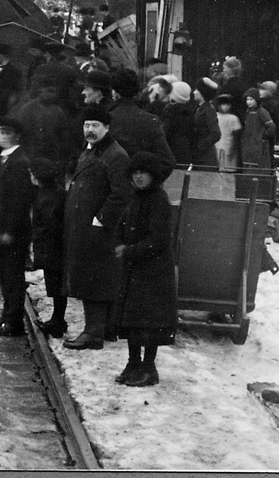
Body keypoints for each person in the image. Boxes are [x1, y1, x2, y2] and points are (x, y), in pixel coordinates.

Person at [62, 106, 132, 350]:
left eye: (95, 126)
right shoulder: (92, 149)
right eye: (86, 125)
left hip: (100, 229)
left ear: (107, 128)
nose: (89, 130)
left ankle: (93, 333)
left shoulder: (115, 155)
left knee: (95, 280)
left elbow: (122, 194)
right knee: (92, 277)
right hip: (85, 226)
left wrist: (100, 220)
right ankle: (104, 329)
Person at [112, 152, 177, 387]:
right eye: (135, 173)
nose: (139, 177)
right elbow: (122, 224)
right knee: (132, 320)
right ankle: (133, 363)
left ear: (153, 176)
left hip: (153, 272)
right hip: (135, 270)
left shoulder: (158, 200)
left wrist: (129, 251)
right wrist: (119, 242)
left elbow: (159, 239)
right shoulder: (137, 197)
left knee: (149, 323)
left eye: (143, 173)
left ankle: (149, 368)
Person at [0, 117, 35, 338]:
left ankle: (13, 322)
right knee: (5, 275)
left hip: (13, 232)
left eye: (7, 132)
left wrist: (8, 230)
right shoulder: (7, 159)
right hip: (4, 229)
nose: (2, 136)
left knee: (12, 277)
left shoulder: (19, 162)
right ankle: (8, 315)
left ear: (17, 136)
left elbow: (19, 201)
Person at [107, 69, 176, 185]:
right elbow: (168, 161)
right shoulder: (150, 120)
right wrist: (147, 186)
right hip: (139, 191)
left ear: (115, 92)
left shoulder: (106, 119)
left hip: (111, 190)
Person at [29, 157, 68, 338]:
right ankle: (58, 319)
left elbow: (48, 224)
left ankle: (58, 322)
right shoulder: (56, 192)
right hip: (55, 247)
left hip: (51, 248)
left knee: (56, 285)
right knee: (57, 285)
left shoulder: (45, 196)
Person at [14, 80, 80, 177]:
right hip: (31, 155)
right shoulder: (28, 110)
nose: (53, 95)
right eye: (49, 91)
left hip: (52, 158)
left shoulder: (58, 112)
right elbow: (21, 134)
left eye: (54, 91)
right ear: (40, 91)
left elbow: (65, 138)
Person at [241, 88, 276, 174]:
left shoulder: (262, 112)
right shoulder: (248, 112)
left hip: (259, 146)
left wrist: (262, 137)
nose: (249, 102)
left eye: (251, 100)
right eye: (247, 99)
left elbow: (271, 127)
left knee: (259, 167)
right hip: (249, 145)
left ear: (256, 100)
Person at [161, 81, 196, 166]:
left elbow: (164, 131)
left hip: (170, 151)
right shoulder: (190, 112)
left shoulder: (170, 111)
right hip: (185, 151)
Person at [191, 78, 222, 170]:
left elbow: (216, 134)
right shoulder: (199, 108)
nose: (194, 92)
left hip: (206, 159)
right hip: (201, 157)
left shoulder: (209, 111)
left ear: (203, 92)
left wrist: (199, 147)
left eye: (197, 90)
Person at [216, 56, 249, 124]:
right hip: (241, 118)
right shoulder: (243, 85)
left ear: (229, 70)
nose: (223, 71)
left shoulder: (227, 87)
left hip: (228, 120)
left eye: (224, 68)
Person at [214, 94, 242, 172]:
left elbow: (236, 136)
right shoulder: (215, 116)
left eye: (227, 104)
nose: (225, 106)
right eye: (223, 104)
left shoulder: (233, 118)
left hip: (229, 148)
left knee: (228, 171)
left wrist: (232, 150)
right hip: (215, 147)